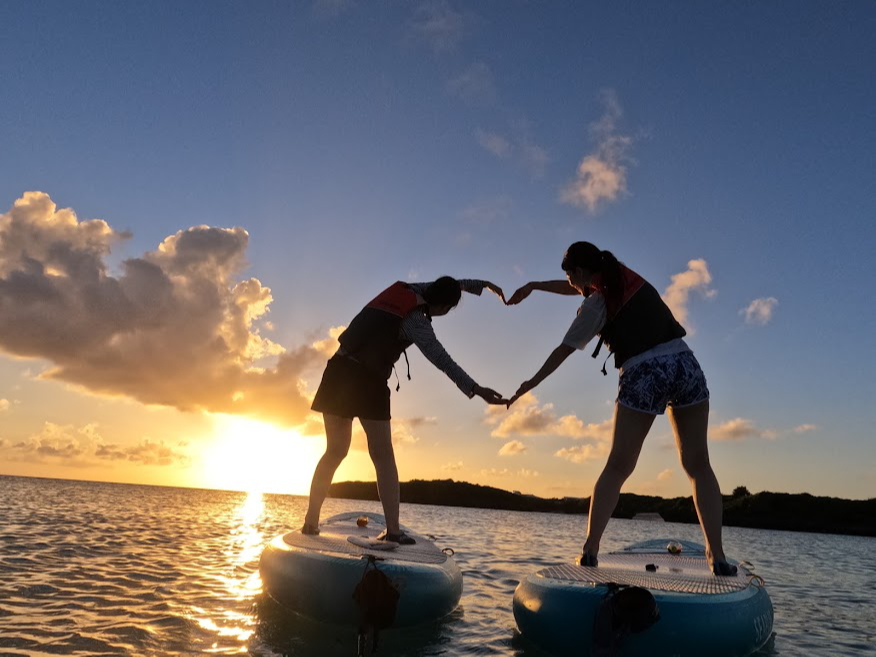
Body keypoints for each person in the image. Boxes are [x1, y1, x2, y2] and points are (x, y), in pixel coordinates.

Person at [507, 242, 737, 576]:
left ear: (580, 272)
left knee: (617, 466)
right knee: (699, 465)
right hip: (684, 364)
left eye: (570, 276)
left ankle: (590, 550)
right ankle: (717, 556)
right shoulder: (622, 276)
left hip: (645, 371)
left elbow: (564, 350)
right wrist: (535, 286)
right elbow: (578, 288)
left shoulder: (596, 304)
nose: (571, 284)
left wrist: (530, 383)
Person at [303, 276, 508, 544]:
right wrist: (476, 389)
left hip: (338, 371)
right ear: (444, 308)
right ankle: (393, 531)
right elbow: (443, 360)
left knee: (335, 451)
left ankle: (310, 523)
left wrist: (484, 285)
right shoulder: (416, 323)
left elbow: (450, 284)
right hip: (368, 382)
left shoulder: (408, 290)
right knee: (383, 455)